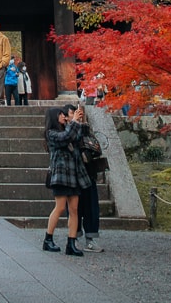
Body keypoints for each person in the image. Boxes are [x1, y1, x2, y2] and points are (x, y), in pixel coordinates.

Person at [41, 105, 91, 256]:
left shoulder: (68, 128)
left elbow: (79, 136)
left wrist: (80, 121)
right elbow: (65, 139)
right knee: (60, 207)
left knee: (74, 209)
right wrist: (74, 122)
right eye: (61, 115)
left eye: (64, 114)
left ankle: (71, 241)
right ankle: (48, 239)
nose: (64, 116)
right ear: (54, 117)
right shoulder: (52, 134)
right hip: (61, 175)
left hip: (73, 175)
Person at [73, 105, 106, 253]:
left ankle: (90, 239)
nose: (79, 116)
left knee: (91, 208)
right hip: (74, 176)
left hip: (88, 173)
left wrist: (83, 125)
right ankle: (75, 237)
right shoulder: (66, 132)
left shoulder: (87, 131)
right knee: (75, 209)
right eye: (74, 114)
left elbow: (96, 147)